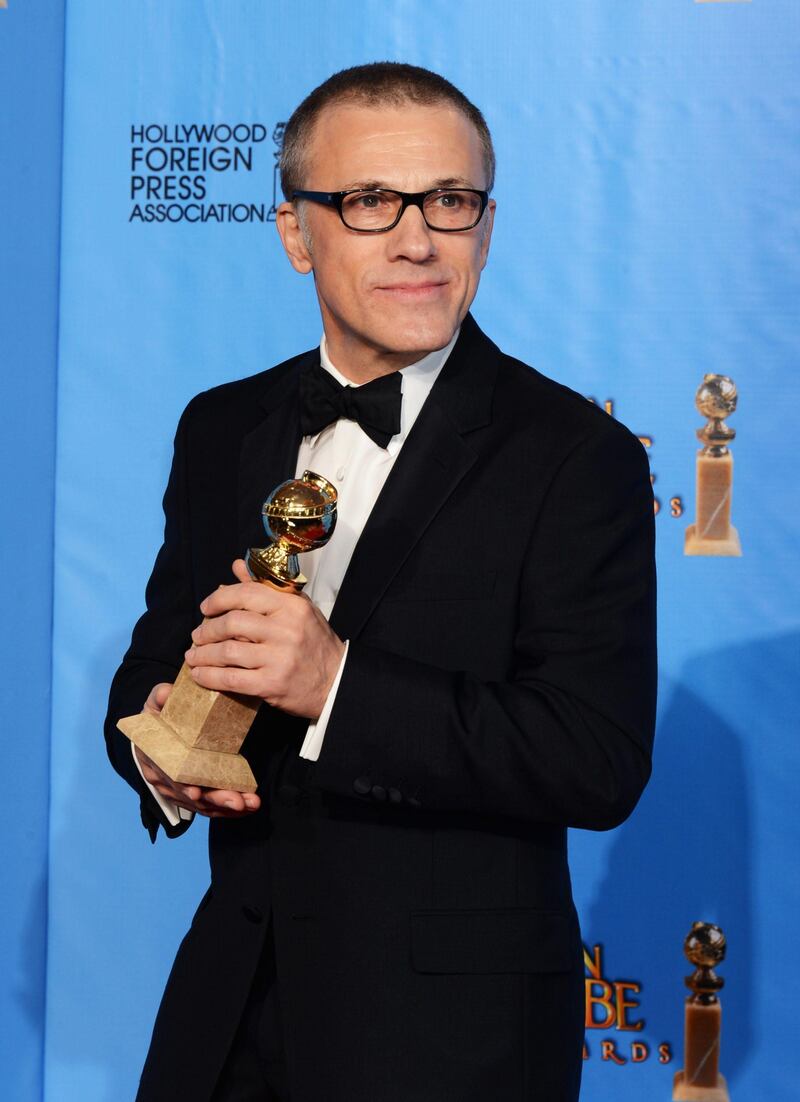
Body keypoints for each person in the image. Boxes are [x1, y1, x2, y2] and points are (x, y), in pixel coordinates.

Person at [105, 62, 656, 1102]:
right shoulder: (221, 425)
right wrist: (158, 751)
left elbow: (596, 758)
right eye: (368, 202)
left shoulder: (575, 456)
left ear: (484, 227)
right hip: (225, 1026)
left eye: (449, 201)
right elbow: (158, 654)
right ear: (294, 232)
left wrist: (335, 686)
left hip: (449, 1047)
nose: (417, 238)